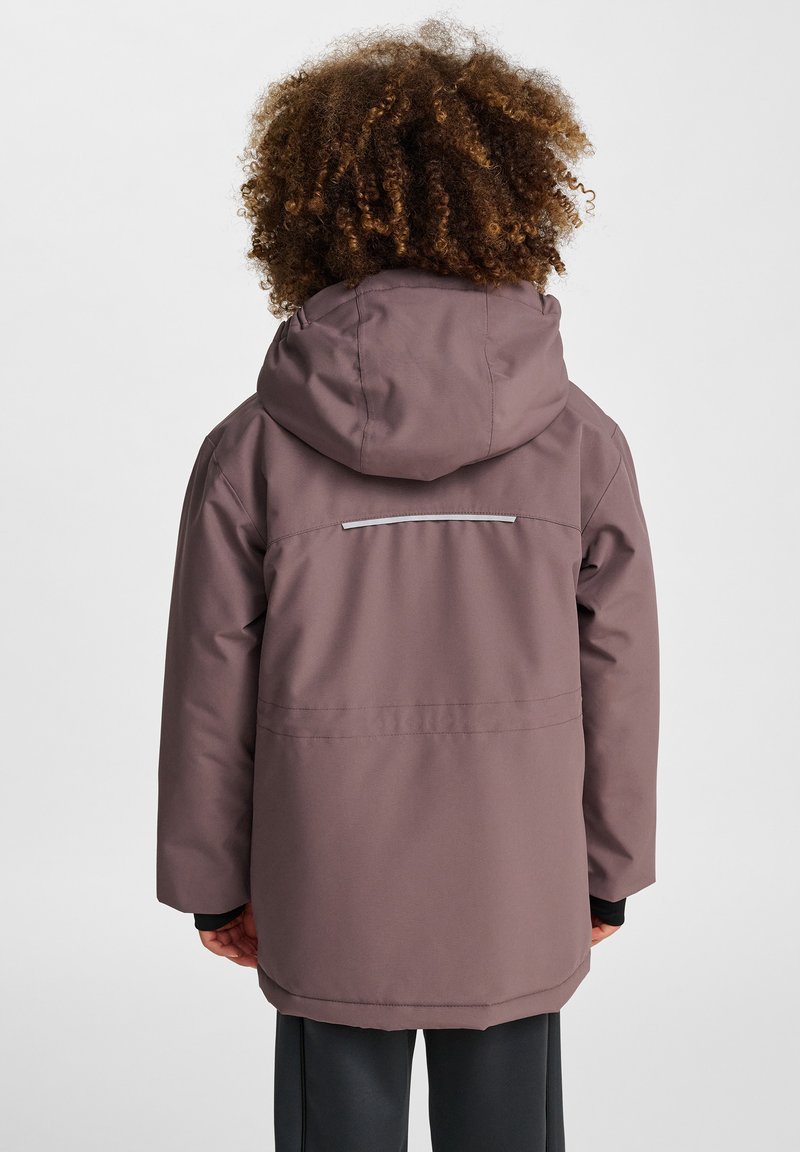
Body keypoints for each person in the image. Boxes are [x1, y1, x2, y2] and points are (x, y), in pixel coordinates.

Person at [156, 17, 659, 1151]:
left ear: (306, 209)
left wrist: (211, 881)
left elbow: (206, 680)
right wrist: (608, 871)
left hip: (325, 875)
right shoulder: (581, 442)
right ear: (514, 197)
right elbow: (620, 669)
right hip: (514, 875)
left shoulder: (251, 448)